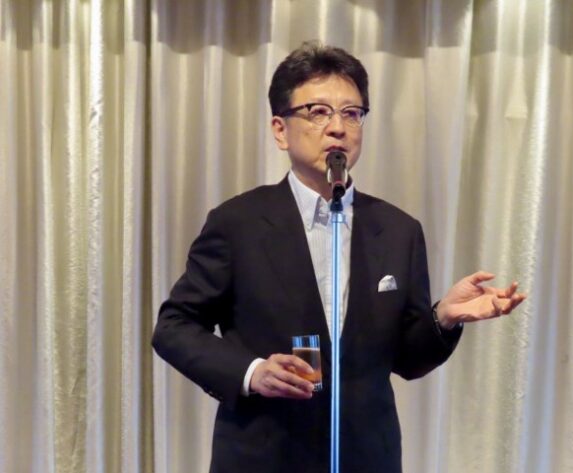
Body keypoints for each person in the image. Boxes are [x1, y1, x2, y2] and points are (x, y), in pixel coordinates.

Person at [152, 41, 526, 473]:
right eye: (318, 112)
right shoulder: (238, 223)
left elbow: (407, 360)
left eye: (351, 113)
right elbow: (174, 327)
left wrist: (443, 318)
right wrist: (251, 371)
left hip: (367, 457)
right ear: (280, 130)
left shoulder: (398, 230)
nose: (337, 128)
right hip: (265, 456)